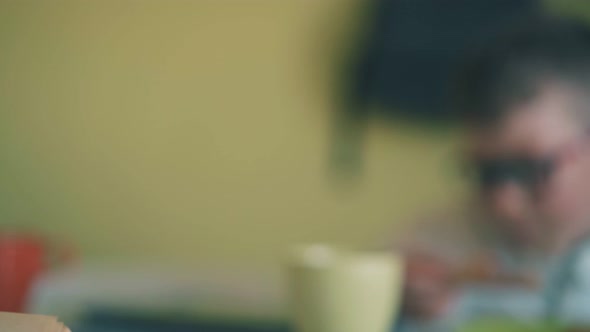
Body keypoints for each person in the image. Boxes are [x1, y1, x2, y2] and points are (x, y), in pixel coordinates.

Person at [394, 15, 590, 331]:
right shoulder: (439, 243)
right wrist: (405, 310)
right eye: (487, 172)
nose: (504, 202)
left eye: (531, 168)